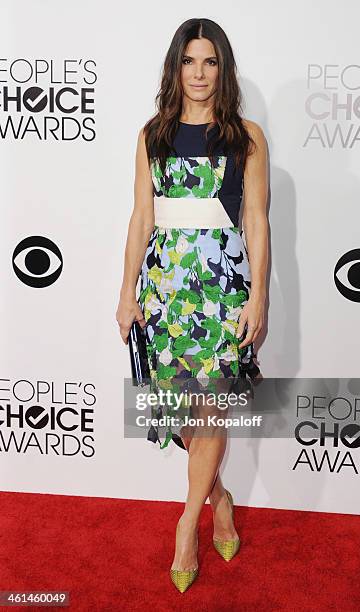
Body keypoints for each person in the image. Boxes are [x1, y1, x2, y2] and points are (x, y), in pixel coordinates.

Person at [116, 17, 268, 593]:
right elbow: (141, 218)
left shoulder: (245, 135)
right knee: (183, 420)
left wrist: (260, 295)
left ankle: (187, 525)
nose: (199, 74)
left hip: (223, 292)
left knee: (209, 414)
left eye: (210, 62)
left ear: (223, 69)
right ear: (174, 67)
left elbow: (256, 220)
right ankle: (221, 499)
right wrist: (127, 291)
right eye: (189, 61)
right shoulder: (152, 134)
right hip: (165, 293)